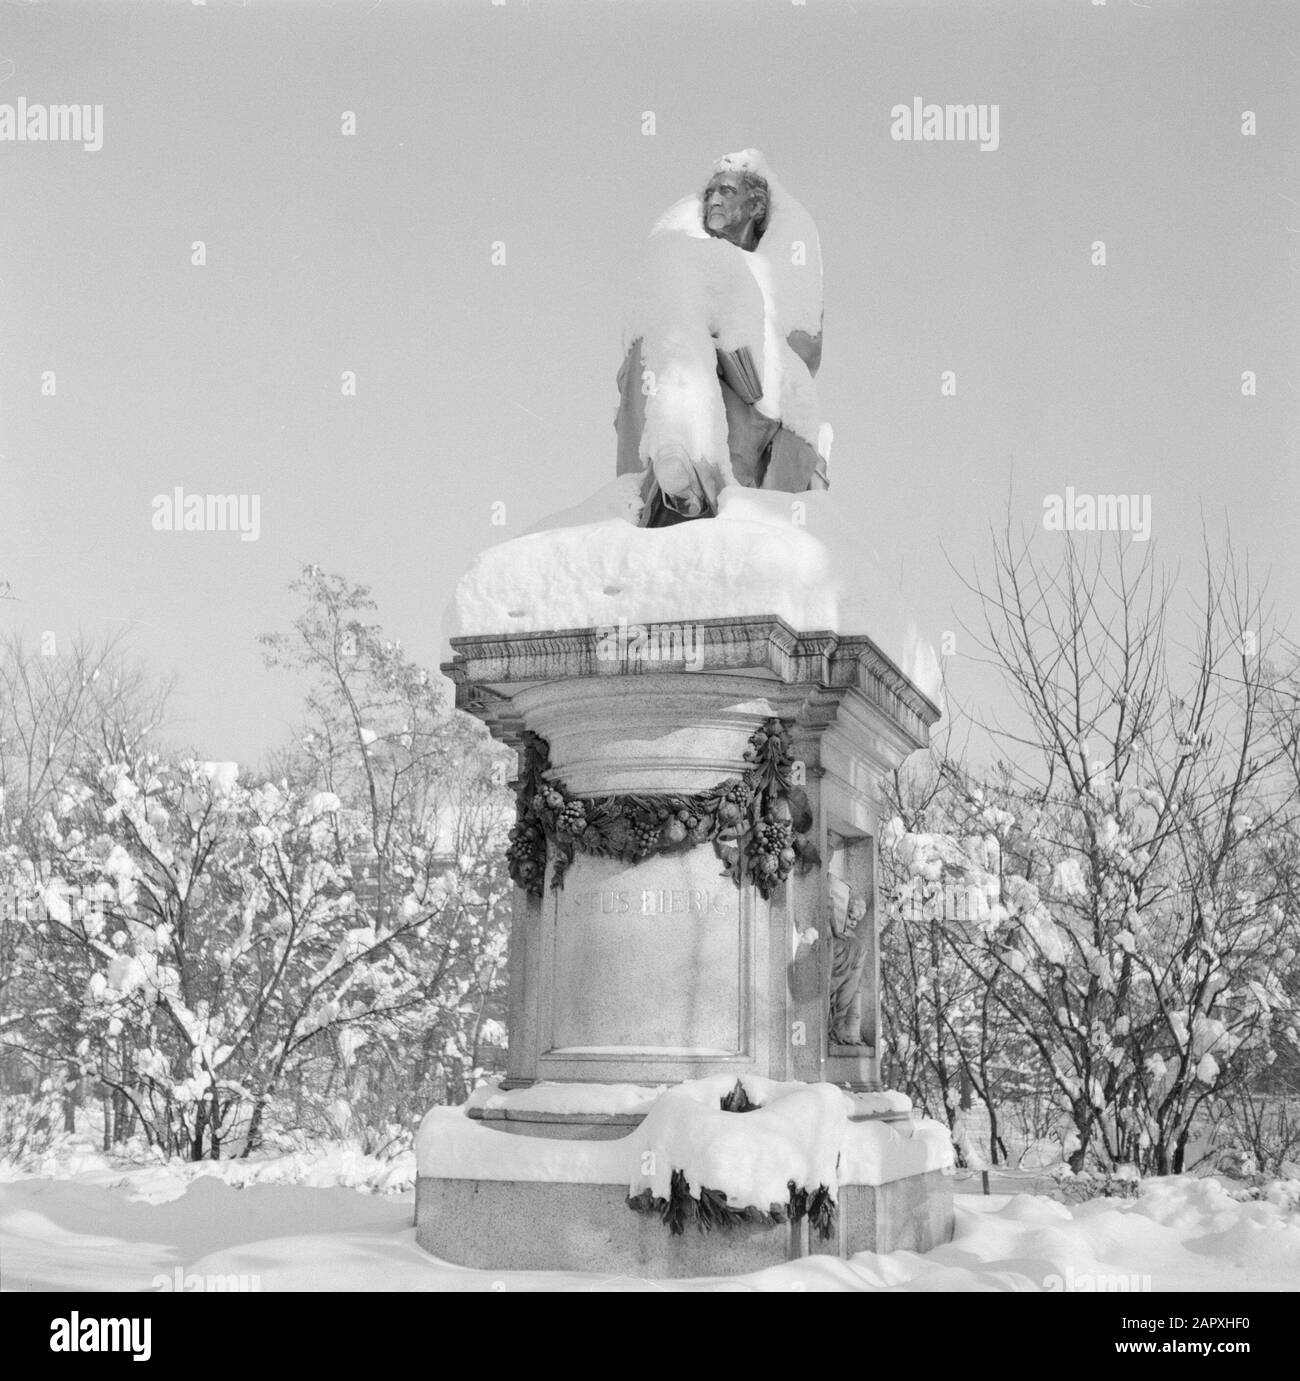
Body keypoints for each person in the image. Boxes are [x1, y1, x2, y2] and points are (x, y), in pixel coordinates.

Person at [614, 150, 830, 527]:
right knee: (677, 304)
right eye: (710, 192)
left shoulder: (775, 263)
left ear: (756, 206)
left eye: (727, 191)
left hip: (761, 384)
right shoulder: (689, 259)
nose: (714, 199)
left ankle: (689, 465)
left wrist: (736, 319)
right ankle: (679, 459)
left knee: (687, 290)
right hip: (702, 355)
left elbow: (802, 351)